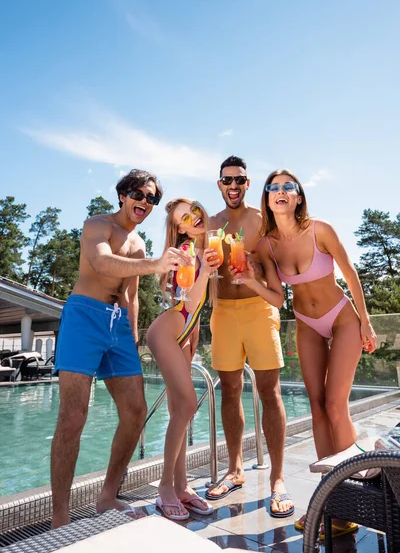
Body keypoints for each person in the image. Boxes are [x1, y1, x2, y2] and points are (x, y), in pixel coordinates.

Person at [51, 169, 190, 529]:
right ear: (123, 194)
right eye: (140, 195)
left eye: (152, 199)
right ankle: (59, 516)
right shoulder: (97, 224)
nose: (145, 202)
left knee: (135, 412)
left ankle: (108, 495)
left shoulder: (139, 244)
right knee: (73, 416)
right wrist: (157, 263)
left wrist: (131, 337)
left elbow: (130, 296)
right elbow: (101, 262)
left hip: (118, 327)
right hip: (83, 317)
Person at [256, 168, 376, 536]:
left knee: (336, 405)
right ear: (268, 198)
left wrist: (366, 321)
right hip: (306, 324)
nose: (280, 191)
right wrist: (248, 280)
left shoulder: (319, 230)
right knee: (317, 407)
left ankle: (357, 494)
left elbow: (351, 273)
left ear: (298, 197)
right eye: (273, 187)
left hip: (342, 319)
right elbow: (277, 297)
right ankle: (333, 502)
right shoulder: (267, 245)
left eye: (287, 187)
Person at [205, 156, 294, 519]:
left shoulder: (261, 220)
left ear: (247, 182)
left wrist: (257, 267)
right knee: (228, 390)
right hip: (224, 311)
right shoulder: (210, 225)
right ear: (219, 184)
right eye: (227, 180)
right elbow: (199, 272)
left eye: (240, 180)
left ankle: (277, 479)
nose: (234, 186)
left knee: (269, 392)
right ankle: (235, 468)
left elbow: (277, 271)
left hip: (259, 309)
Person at [146, 198, 219, 520]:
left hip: (184, 333)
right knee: (188, 406)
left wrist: (192, 339)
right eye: (185, 218)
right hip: (165, 332)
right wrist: (208, 270)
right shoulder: (187, 252)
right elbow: (187, 297)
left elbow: (197, 308)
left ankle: (182, 485)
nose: (195, 218)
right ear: (180, 228)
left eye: (195, 211)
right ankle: (165, 488)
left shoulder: (205, 250)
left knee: (179, 410)